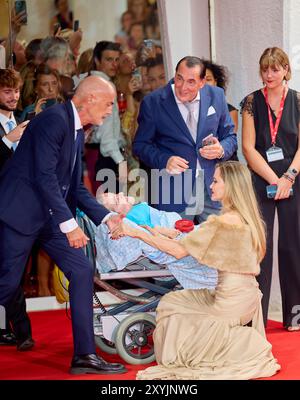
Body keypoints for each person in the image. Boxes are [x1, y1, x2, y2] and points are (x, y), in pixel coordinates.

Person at [0, 75, 126, 374]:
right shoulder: (54, 120)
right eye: (108, 103)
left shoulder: (77, 130)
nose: (111, 110)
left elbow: (74, 186)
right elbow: (44, 177)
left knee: (81, 269)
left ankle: (85, 356)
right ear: (90, 98)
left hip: (48, 216)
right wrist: (70, 226)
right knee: (5, 285)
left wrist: (106, 217)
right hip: (19, 213)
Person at [114, 161, 281, 380]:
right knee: (174, 302)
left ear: (230, 186)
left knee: (172, 311)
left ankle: (227, 342)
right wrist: (152, 231)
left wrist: (136, 233)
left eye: (215, 181)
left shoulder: (224, 222)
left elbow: (178, 251)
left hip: (228, 305)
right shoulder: (247, 218)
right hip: (246, 298)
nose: (210, 185)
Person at [133, 56, 237, 222]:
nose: (182, 87)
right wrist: (164, 160)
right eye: (179, 78)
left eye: (191, 82)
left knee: (215, 244)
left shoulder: (216, 96)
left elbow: (230, 136)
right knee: (174, 245)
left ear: (202, 82)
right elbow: (140, 145)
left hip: (212, 187)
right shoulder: (153, 102)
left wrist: (221, 149)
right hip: (172, 191)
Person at [241, 47, 300, 331]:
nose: (269, 75)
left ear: (286, 70)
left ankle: (295, 315)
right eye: (265, 69)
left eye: (275, 69)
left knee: (293, 247)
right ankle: (257, 318)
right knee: (260, 249)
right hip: (261, 181)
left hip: (294, 181)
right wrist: (273, 180)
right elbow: (248, 148)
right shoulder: (251, 102)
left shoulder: (299, 101)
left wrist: (288, 178)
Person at [0, 68, 33, 351]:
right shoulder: (12, 129)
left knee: (12, 271)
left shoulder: (22, 120)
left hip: (18, 208)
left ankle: (23, 333)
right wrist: (8, 141)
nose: (13, 96)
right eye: (7, 91)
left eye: (16, 91)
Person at [203, 59, 238, 133]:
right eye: (201, 79)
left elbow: (230, 138)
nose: (204, 83)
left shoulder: (229, 110)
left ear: (215, 82)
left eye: (208, 79)